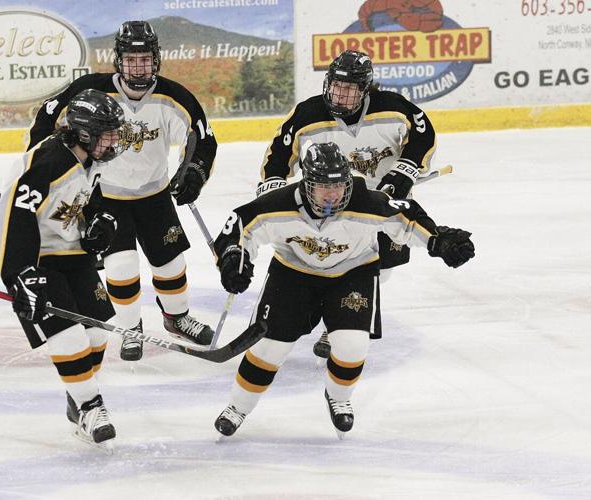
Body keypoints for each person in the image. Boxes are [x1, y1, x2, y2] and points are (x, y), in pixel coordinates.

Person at [212, 142, 474, 438]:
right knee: (269, 349)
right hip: (292, 276)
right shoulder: (278, 204)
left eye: (339, 185)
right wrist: (233, 259)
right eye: (324, 186)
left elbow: (407, 216)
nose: (333, 194)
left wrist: (438, 241)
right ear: (306, 183)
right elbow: (238, 228)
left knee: (352, 346)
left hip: (352, 274)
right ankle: (238, 407)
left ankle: (338, 398)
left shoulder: (365, 201)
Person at [26, 20, 218, 362]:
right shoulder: (91, 89)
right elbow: (48, 118)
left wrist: (194, 174)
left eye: (145, 59)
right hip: (104, 197)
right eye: (131, 59)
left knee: (171, 265)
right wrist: (44, 170)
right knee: (121, 267)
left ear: (156, 59)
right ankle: (131, 329)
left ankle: (177, 317)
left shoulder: (174, 97)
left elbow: (202, 139)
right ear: (118, 60)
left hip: (154, 196)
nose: (138, 67)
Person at [256, 50, 438, 357]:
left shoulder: (393, 108)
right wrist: (271, 196)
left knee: (383, 266)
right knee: (327, 259)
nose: (341, 95)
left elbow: (423, 134)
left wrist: (405, 170)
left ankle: (337, 322)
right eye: (336, 87)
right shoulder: (306, 115)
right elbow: (277, 156)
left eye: (350, 89)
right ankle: (318, 317)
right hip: (330, 206)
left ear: (365, 89)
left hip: (384, 206)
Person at [0, 89, 126, 446]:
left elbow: (85, 196)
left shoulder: (90, 157)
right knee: (67, 335)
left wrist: (99, 219)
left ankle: (78, 399)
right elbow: (14, 217)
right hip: (35, 258)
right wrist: (19, 275)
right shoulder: (49, 161)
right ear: (85, 133)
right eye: (108, 132)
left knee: (97, 334)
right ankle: (90, 405)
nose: (114, 139)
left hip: (71, 250)